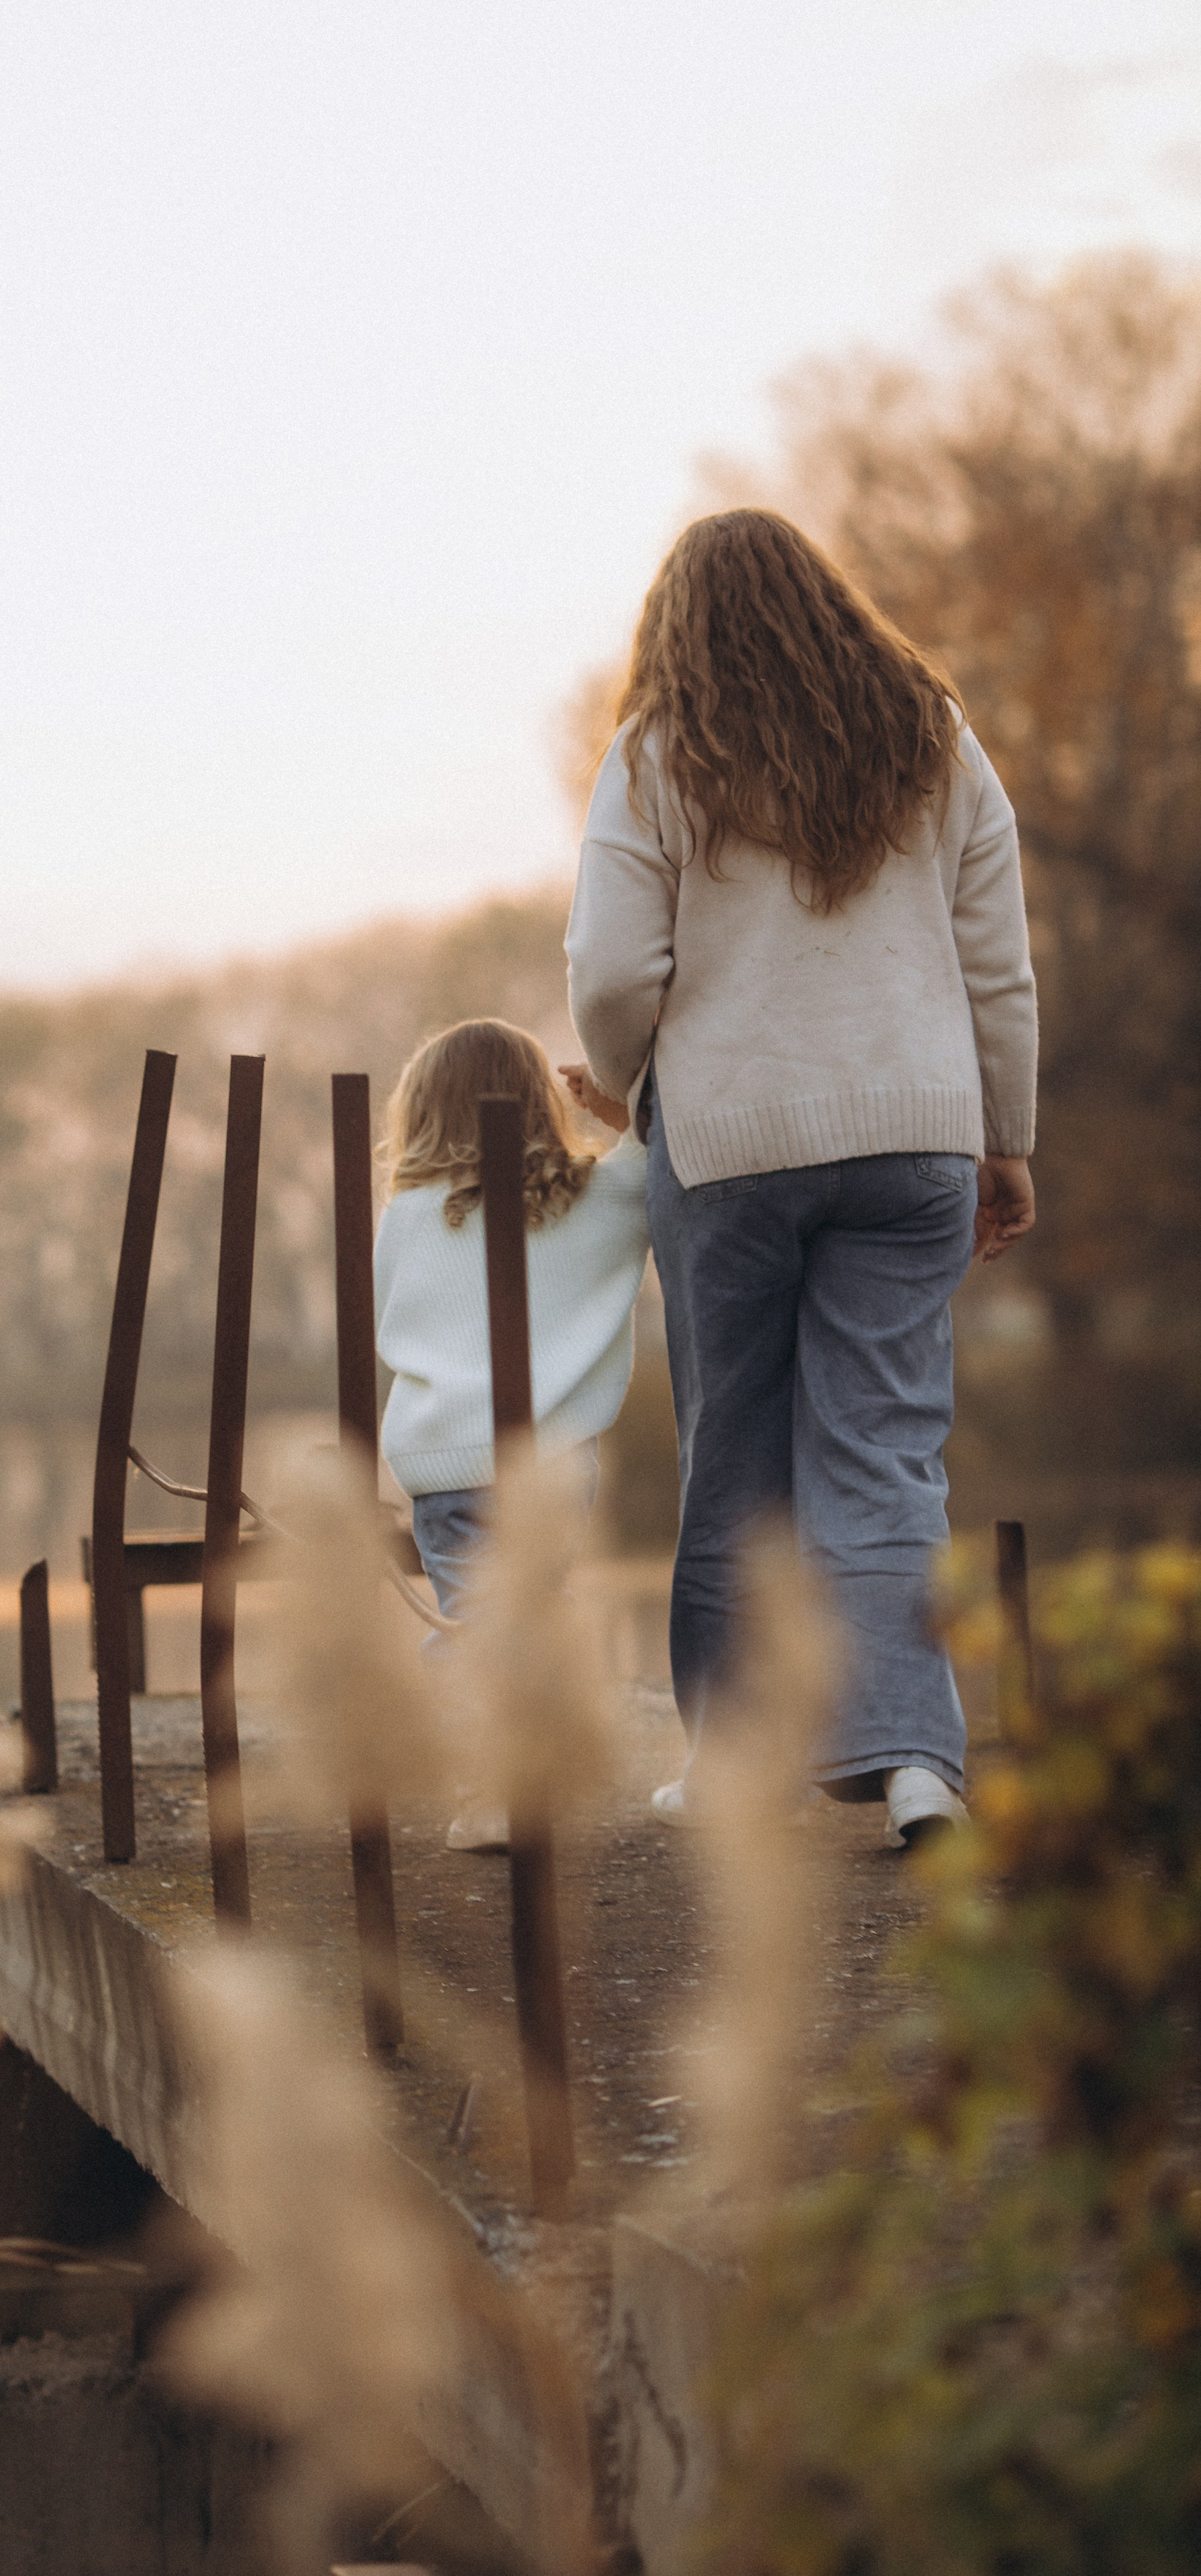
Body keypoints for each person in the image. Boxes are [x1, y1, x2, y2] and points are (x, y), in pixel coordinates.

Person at [562, 507, 1037, 1851]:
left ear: (678, 628)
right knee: (882, 1449)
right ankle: (912, 1764)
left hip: (727, 1149)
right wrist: (1005, 1135)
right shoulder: (930, 740)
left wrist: (625, 1081)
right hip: (913, 1142)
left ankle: (730, 1762)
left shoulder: (656, 756)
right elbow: (993, 958)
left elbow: (605, 969)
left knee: (735, 1454)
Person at [374, 1018, 649, 1850]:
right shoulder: (596, 1197)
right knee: (521, 1615)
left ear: (418, 1115)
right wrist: (615, 1108)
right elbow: (654, 1161)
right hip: (552, 1467)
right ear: (539, 1104)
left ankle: (486, 1786)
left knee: (475, 1620)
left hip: (443, 1462)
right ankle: (519, 1770)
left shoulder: (409, 1217)